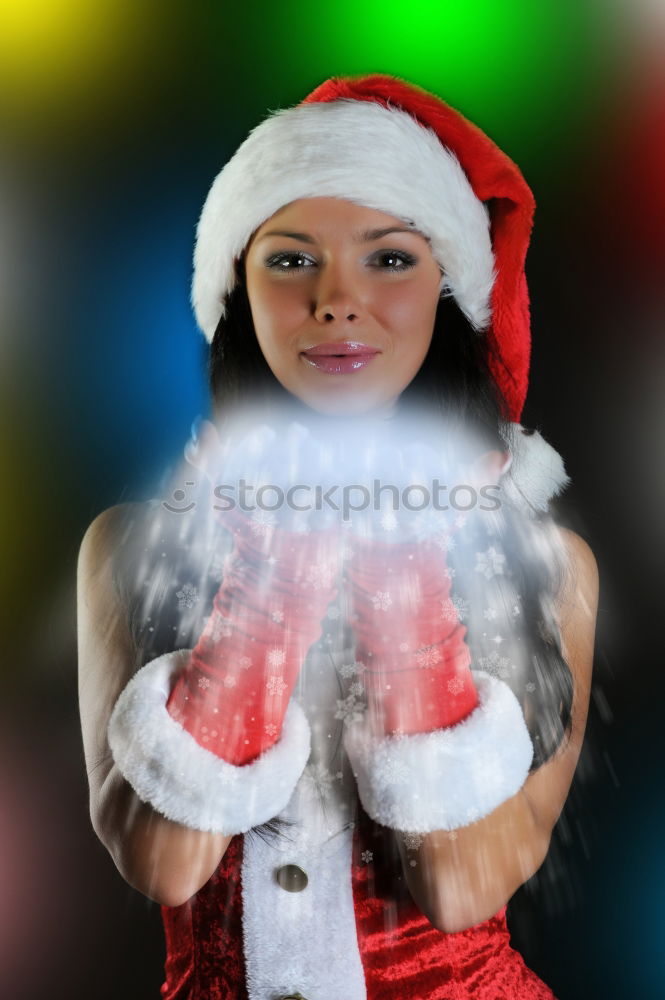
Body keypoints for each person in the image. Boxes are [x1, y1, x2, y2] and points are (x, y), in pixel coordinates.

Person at [77, 74, 599, 999]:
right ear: (238, 286)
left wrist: (403, 572)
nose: (336, 299)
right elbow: (162, 863)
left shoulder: (544, 566)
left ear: (447, 286)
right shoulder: (129, 546)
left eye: (390, 259)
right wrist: (275, 575)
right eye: (289, 260)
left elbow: (458, 883)